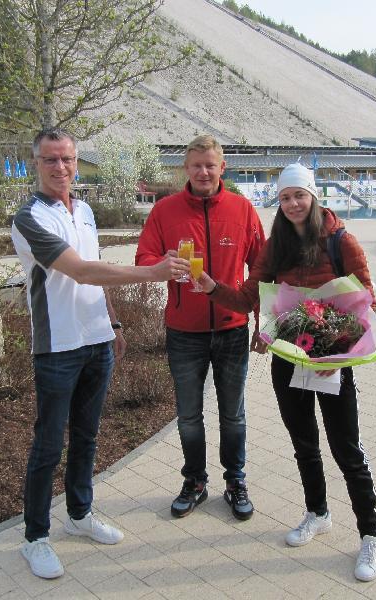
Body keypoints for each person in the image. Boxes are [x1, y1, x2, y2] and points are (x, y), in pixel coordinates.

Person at [11, 128, 190, 580]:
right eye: (50, 160)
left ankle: (79, 514)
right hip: (57, 348)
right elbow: (82, 270)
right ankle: (35, 538)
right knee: (49, 445)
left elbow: (97, 277)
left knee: (88, 437)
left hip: (96, 342)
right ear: (36, 163)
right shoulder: (29, 218)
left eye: (67, 159)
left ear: (75, 161)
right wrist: (153, 272)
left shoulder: (85, 211)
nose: (60, 168)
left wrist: (112, 321)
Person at [197, 163, 376, 582]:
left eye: (299, 195)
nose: (293, 203)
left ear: (313, 197)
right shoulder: (274, 245)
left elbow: (367, 296)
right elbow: (251, 296)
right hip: (288, 359)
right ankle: (317, 512)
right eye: (285, 197)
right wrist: (213, 289)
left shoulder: (341, 240)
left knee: (346, 449)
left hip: (330, 359)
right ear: (278, 202)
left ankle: (370, 536)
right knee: (304, 444)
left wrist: (328, 317)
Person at [135, 134, 265, 520]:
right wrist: (163, 263)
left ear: (222, 167)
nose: (204, 172)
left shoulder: (243, 211)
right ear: (185, 170)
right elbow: (144, 256)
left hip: (231, 329)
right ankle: (194, 481)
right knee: (189, 415)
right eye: (196, 165)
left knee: (233, 414)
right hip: (183, 331)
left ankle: (235, 480)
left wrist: (264, 324)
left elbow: (262, 271)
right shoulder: (166, 211)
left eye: (210, 165)